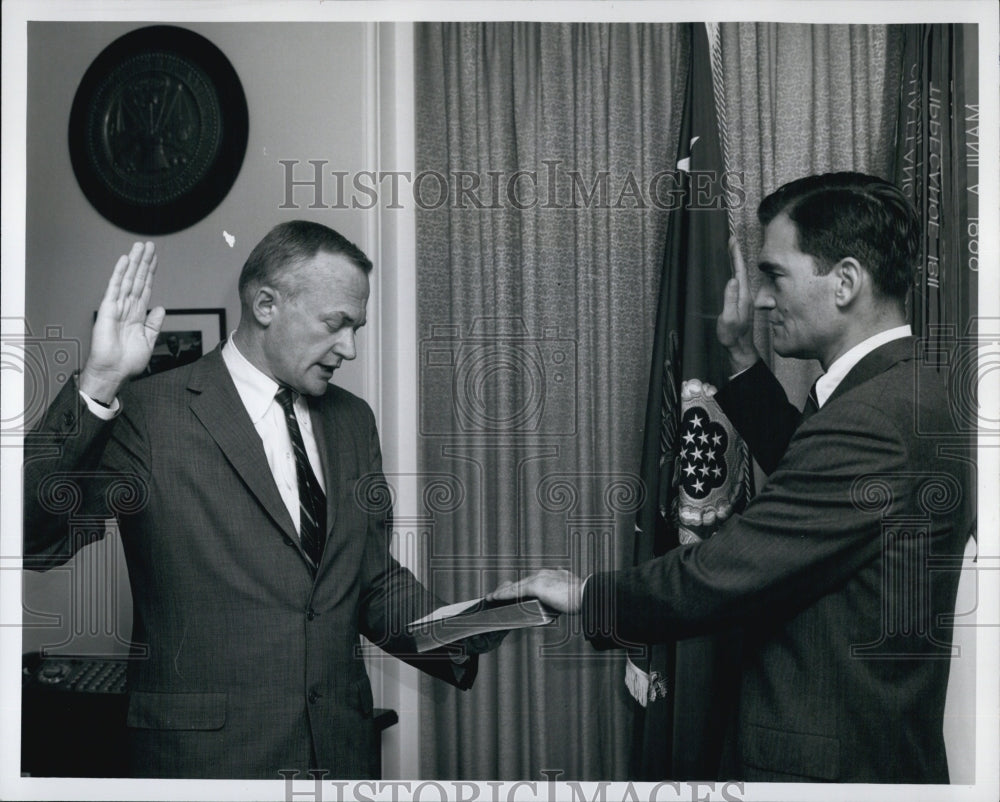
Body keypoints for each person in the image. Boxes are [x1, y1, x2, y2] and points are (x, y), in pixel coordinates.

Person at [489, 173, 976, 783]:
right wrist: (742, 357)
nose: (763, 298)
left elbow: (726, 573)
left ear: (846, 281)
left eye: (774, 275)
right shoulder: (903, 392)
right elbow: (818, 486)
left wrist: (586, 593)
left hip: (828, 772)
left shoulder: (873, 419)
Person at [24, 221, 500, 779]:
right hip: (206, 765)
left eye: (356, 328)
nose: (348, 347)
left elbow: (367, 580)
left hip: (341, 757)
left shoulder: (352, 420)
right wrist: (100, 383)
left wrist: (482, 620)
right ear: (267, 304)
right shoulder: (151, 414)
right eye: (335, 324)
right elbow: (32, 538)